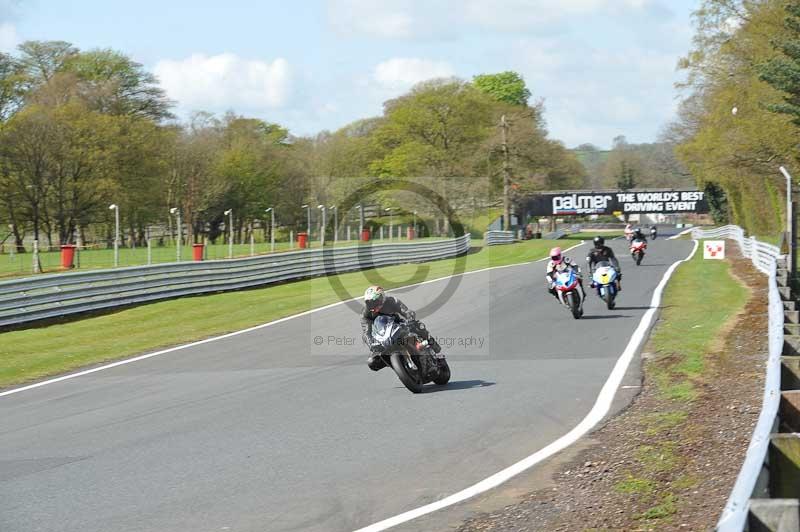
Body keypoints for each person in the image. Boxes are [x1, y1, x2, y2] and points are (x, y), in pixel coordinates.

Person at [361, 285, 442, 371]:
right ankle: (399, 366)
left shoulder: (392, 301)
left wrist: (409, 317)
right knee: (372, 362)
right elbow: (366, 332)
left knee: (418, 326)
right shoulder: (365, 314)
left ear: (382, 298)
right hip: (382, 336)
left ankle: (434, 347)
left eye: (375, 301)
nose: (372, 305)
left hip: (399, 326)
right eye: (369, 303)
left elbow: (405, 311)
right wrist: (371, 344)